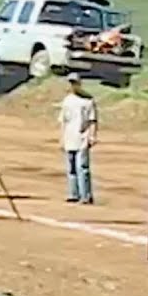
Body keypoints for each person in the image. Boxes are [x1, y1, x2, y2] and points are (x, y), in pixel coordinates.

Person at [58, 73, 97, 204]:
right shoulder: (67, 101)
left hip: (82, 137)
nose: (73, 85)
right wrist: (61, 138)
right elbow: (63, 121)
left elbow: (92, 120)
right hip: (69, 137)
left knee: (82, 166)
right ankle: (73, 193)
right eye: (71, 83)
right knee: (71, 167)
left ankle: (86, 195)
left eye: (74, 82)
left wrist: (92, 136)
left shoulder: (88, 101)